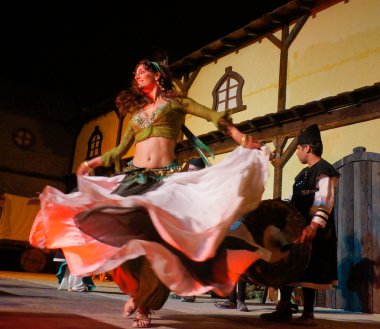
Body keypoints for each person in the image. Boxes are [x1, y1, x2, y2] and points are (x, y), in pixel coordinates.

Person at [30, 59, 270, 328]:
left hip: (165, 182)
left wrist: (241, 137)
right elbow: (119, 151)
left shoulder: (176, 103)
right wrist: (91, 163)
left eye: (142, 71)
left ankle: (144, 304)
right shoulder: (136, 116)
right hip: (135, 180)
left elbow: (213, 117)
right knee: (122, 241)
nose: (137, 76)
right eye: (135, 73)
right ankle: (137, 292)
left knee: (158, 247)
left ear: (157, 75)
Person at [260, 124, 339, 326]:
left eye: (297, 148)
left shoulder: (324, 170)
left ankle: (308, 314)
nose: (296, 153)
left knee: (310, 269)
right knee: (287, 265)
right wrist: (276, 204)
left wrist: (313, 226)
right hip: (296, 229)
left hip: (315, 230)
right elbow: (292, 197)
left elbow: (326, 201)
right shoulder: (301, 175)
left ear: (307, 148)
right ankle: (284, 309)